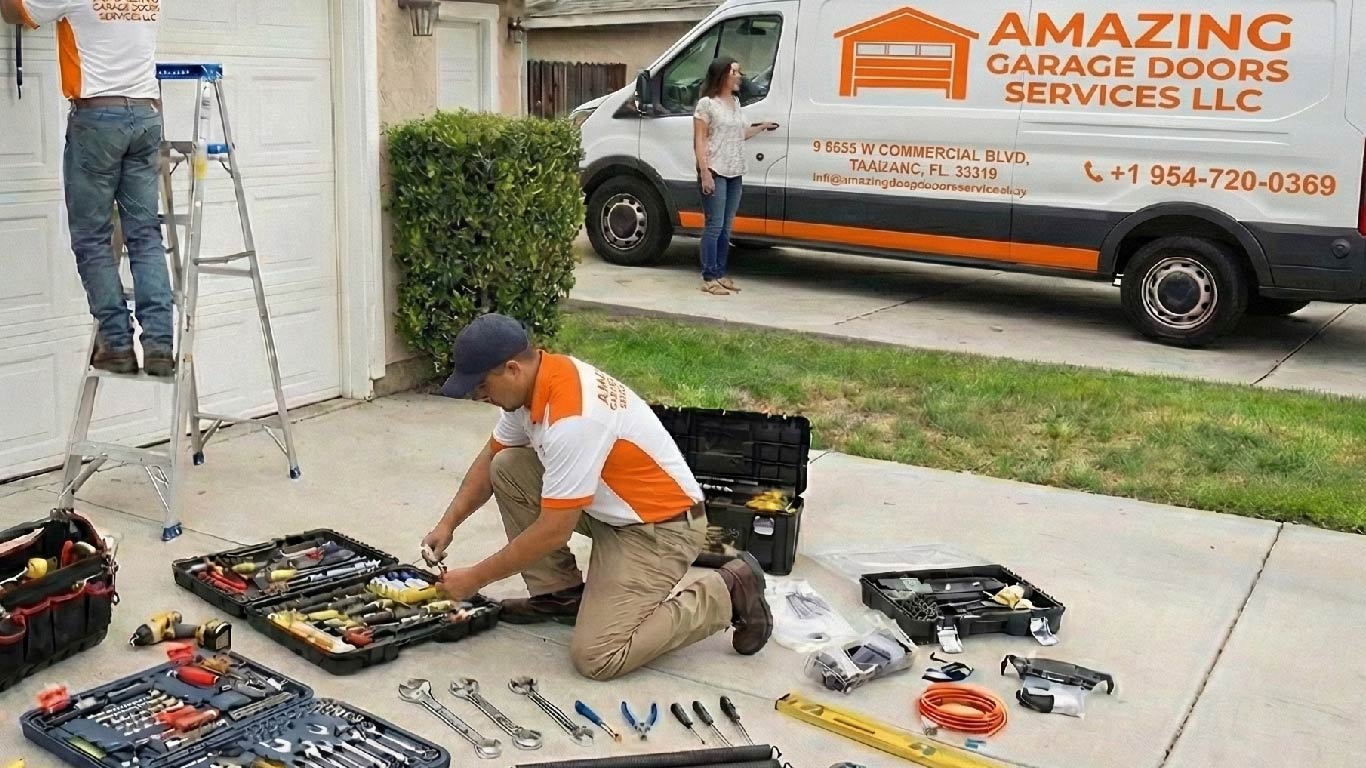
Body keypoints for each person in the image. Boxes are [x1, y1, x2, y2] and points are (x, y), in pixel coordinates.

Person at [421, 313, 773, 681]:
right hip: (614, 509)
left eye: (482, 386)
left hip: (662, 529)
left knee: (598, 656)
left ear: (512, 369)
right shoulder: (535, 383)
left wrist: (475, 578)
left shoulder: (574, 419)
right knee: (507, 466)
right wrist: (447, 524)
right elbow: (491, 456)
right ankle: (561, 595)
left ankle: (726, 591)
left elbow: (553, 531)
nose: (480, 396)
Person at [2, 0, 176, 376]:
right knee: (145, 235)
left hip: (98, 118)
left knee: (92, 237)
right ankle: (160, 345)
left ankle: (116, 343)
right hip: (146, 115)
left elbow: (15, 12)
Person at [692, 57, 777, 296]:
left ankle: (720, 272)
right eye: (735, 72)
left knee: (726, 227)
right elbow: (700, 140)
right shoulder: (707, 105)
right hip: (715, 170)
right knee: (714, 225)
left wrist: (761, 127)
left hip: (735, 170)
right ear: (723, 76)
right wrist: (705, 172)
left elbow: (739, 133)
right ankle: (709, 276)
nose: (739, 76)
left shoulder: (736, 103)